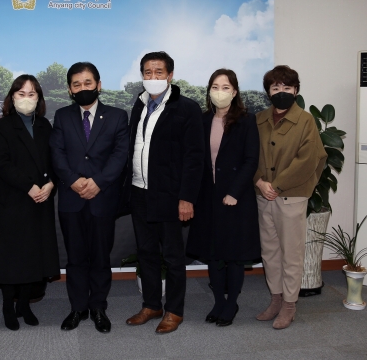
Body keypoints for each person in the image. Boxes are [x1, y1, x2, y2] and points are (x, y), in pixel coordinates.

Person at [124, 51, 204, 334]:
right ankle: (151, 305)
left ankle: (174, 311)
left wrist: (187, 198)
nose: (153, 77)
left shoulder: (187, 108)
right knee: (146, 252)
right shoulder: (139, 104)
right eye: (148, 72)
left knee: (172, 257)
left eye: (159, 72)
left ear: (170, 75)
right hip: (139, 192)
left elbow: (195, 158)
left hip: (170, 196)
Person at [50, 62, 129, 334]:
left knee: (100, 257)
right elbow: (57, 153)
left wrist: (98, 182)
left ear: (98, 85)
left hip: (102, 198)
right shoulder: (62, 116)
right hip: (71, 199)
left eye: (87, 83)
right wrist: (73, 180)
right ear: (70, 90)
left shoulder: (117, 116)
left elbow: (120, 155)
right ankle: (77, 308)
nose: (82, 88)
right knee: (75, 258)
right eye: (76, 84)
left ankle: (98, 307)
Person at [186, 69, 261, 327]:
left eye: (226, 87)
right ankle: (219, 301)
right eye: (215, 87)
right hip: (208, 198)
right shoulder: (203, 120)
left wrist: (234, 192)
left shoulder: (247, 121)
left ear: (235, 91)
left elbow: (251, 161)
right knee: (214, 254)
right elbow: (197, 159)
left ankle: (232, 303)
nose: (220, 92)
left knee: (234, 254)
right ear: (209, 91)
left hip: (236, 199)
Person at [254, 65, 327, 329]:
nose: (281, 91)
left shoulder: (306, 121)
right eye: (275, 87)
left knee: (291, 254)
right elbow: (248, 155)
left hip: (291, 198)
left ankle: (289, 305)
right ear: (268, 91)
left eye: (287, 87)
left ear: (295, 90)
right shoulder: (259, 120)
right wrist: (259, 182)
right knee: (270, 252)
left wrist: (277, 185)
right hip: (264, 196)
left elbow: (308, 160)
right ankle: (276, 299)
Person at [0, 75, 60, 331]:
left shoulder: (44, 126)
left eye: (32, 94)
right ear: (12, 97)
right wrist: (28, 186)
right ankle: (8, 307)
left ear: (39, 98)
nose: (26, 99)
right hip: (13, 200)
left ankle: (25, 305)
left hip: (40, 199)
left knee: (33, 257)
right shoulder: (2, 126)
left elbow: (55, 159)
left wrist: (52, 183)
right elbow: (1, 163)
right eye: (21, 94)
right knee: (11, 258)